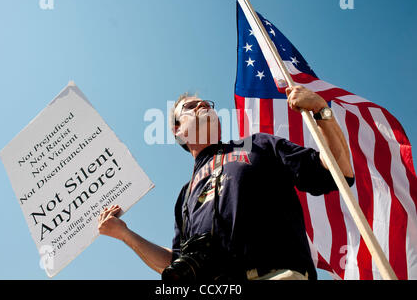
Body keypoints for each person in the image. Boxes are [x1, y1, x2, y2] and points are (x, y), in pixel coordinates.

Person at [98, 85, 354, 280]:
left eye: (205, 104)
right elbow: (174, 262)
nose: (202, 106)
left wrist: (322, 111)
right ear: (178, 131)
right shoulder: (184, 197)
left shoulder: (258, 145)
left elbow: (339, 172)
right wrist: (124, 234)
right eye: (191, 107)